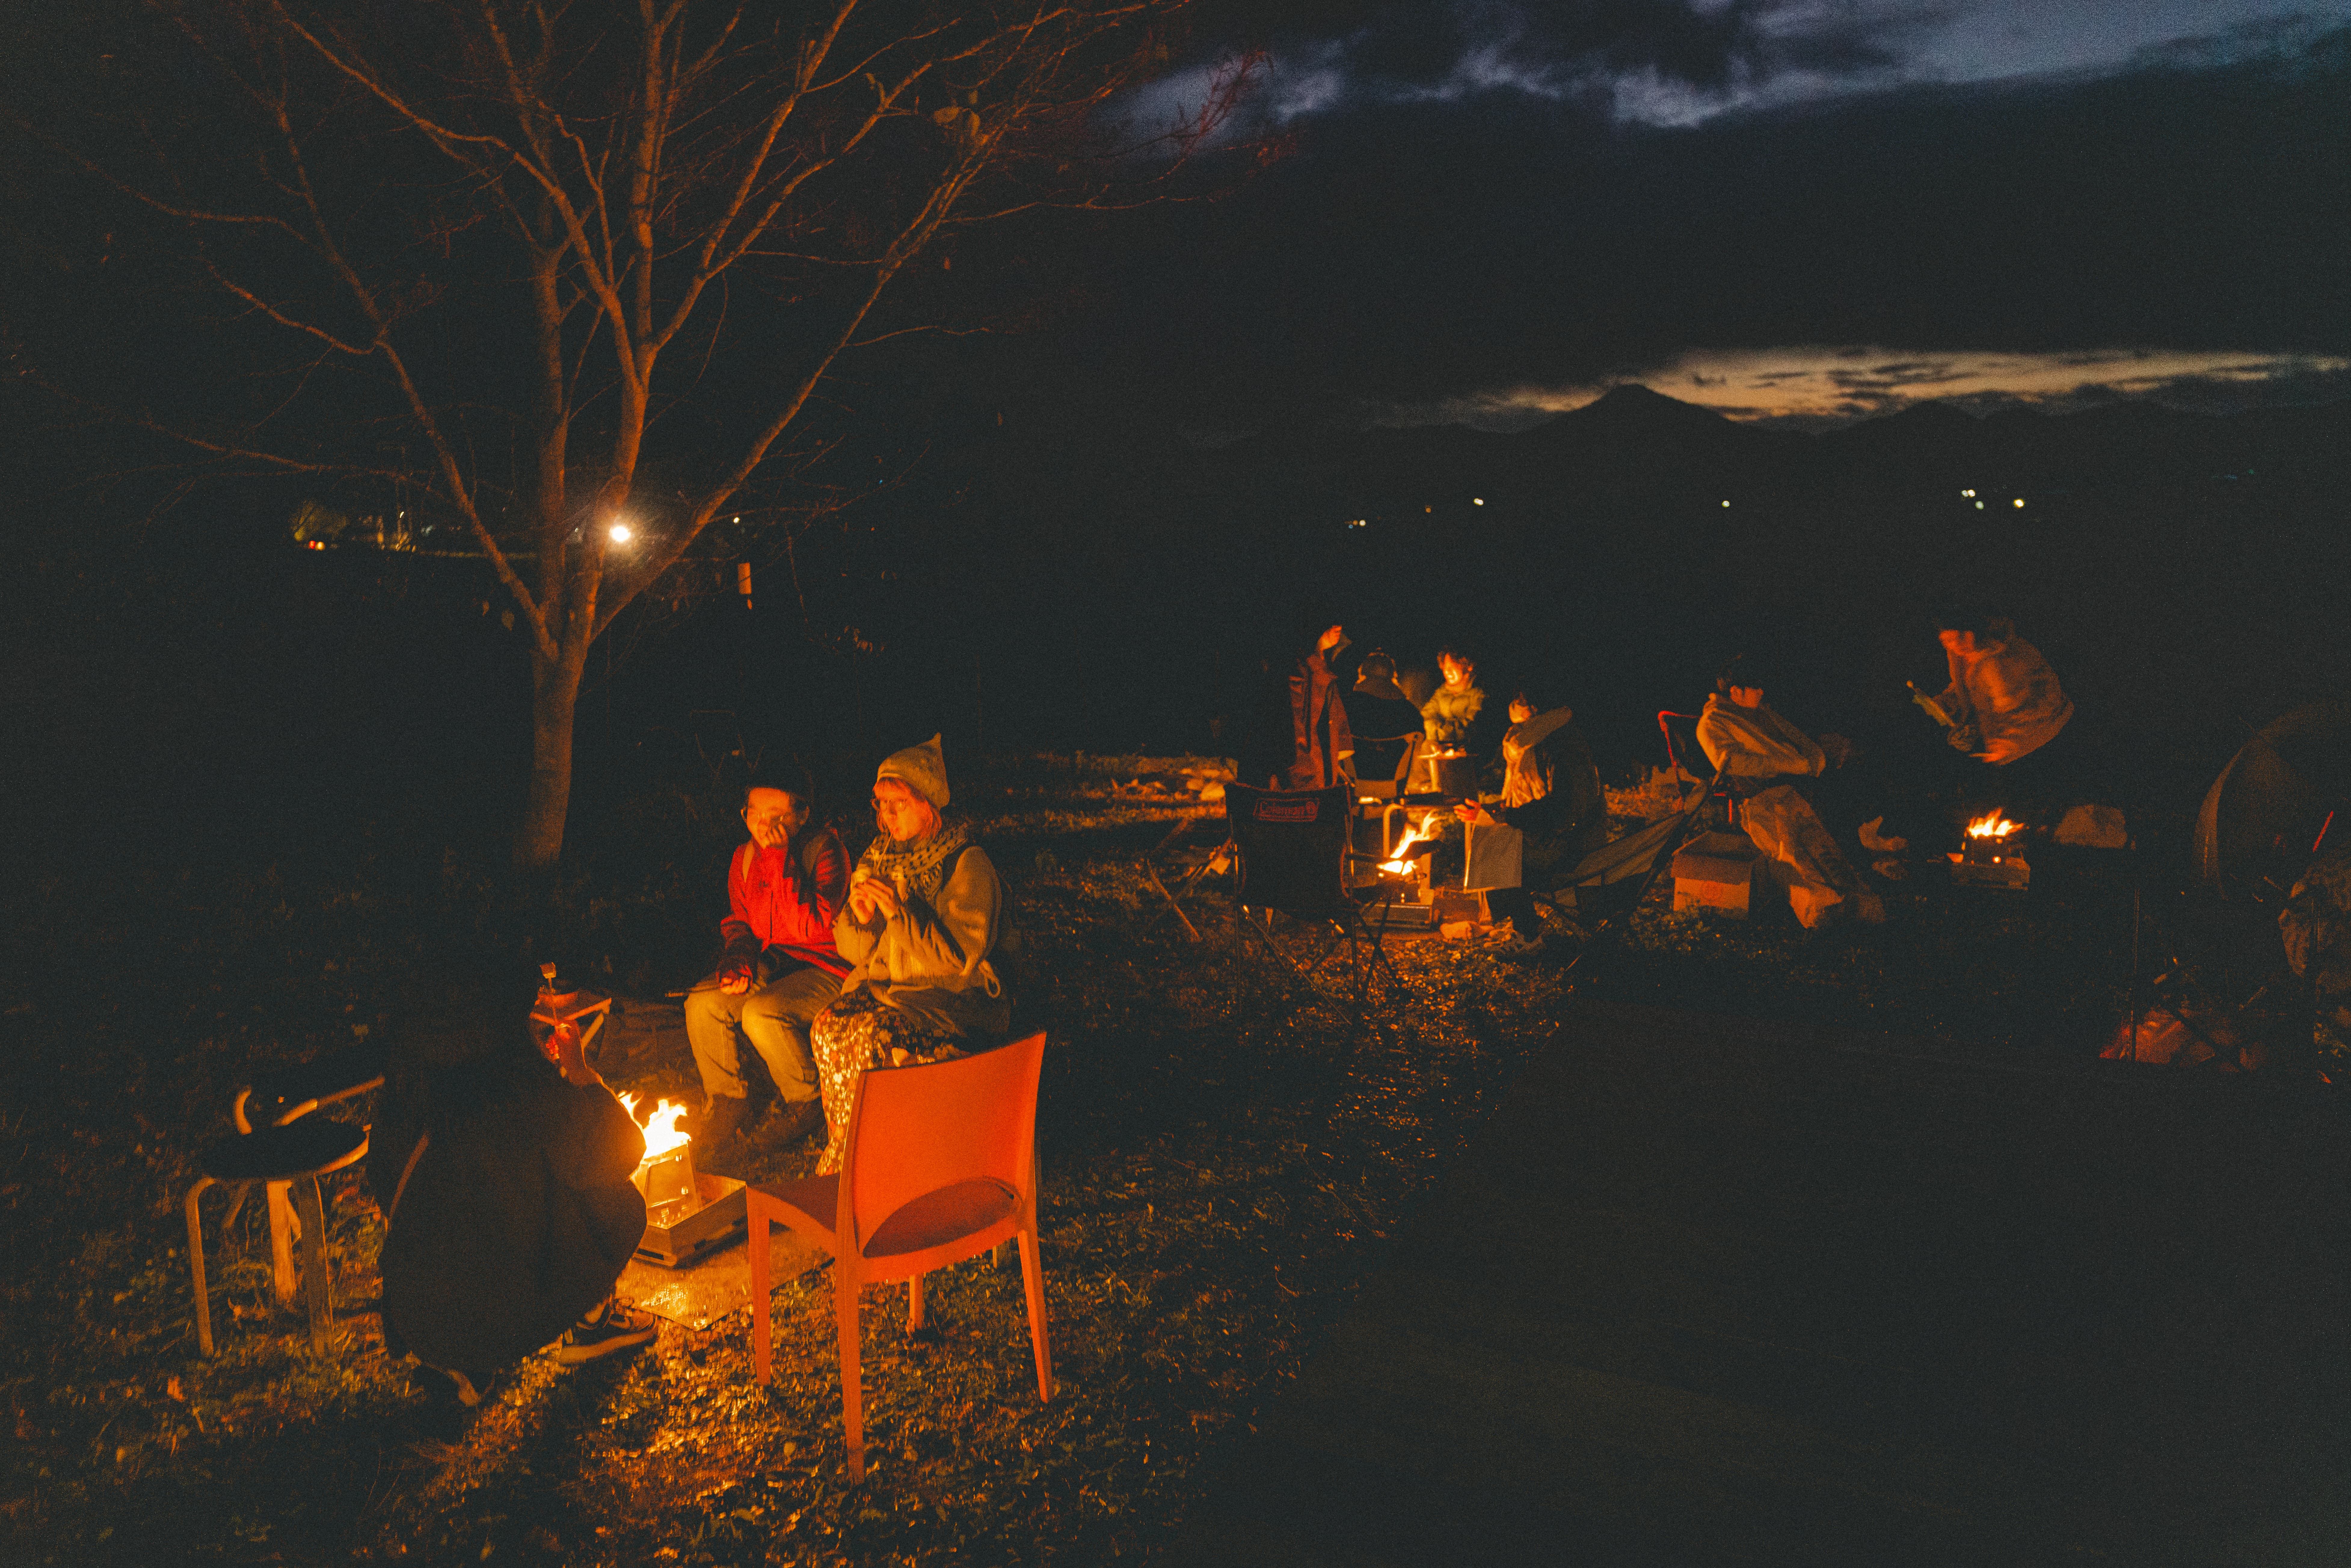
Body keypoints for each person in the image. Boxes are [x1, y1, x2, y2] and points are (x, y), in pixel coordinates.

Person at [371, 964, 655, 1408]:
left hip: (416, 1311)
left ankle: (463, 1367)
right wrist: (579, 1072)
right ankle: (592, 1320)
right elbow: (624, 1149)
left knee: (507, 1204)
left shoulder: (411, 1086)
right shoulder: (516, 1088)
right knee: (618, 1203)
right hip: (492, 1319)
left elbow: (387, 1181)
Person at [809, 735, 1011, 1174]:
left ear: (927, 803)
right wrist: (861, 918)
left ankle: (891, 1161)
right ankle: (851, 1155)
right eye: (880, 803)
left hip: (952, 998)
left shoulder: (965, 862)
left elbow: (957, 958)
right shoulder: (881, 855)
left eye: (897, 802)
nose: (886, 815)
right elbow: (856, 952)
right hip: (893, 989)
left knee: (874, 1036)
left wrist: (900, 912)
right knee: (828, 1025)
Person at [684, 779, 849, 1152]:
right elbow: (741, 923)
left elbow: (810, 927)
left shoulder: (825, 852)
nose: (763, 824)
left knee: (761, 1012)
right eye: (755, 813)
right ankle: (729, 1099)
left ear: (802, 815)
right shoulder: (744, 858)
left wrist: (778, 858)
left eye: (776, 815)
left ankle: (806, 1099)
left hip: (828, 966)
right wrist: (738, 961)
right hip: (775, 963)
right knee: (703, 1003)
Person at [1697, 656, 1885, 930]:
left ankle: (1859, 902)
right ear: (1735, 691)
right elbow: (1732, 761)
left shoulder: (1763, 712)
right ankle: (1826, 915)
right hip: (1764, 798)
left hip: (1800, 787)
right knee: (1801, 860)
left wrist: (1815, 757)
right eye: (1754, 688)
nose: (1761, 693)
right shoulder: (1714, 722)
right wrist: (1791, 766)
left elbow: (1794, 740)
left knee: (1830, 852)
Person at [1455, 685, 1607, 955]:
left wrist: (1508, 816)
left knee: (1496, 848)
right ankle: (1519, 924)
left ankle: (1527, 936)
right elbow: (1532, 801)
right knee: (1490, 835)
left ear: (1537, 712)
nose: (1515, 732)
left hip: (1575, 845)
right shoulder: (1546, 739)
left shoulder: (1563, 747)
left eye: (1522, 722)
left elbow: (1564, 808)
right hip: (1557, 834)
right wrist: (1494, 810)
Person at [1928, 600, 2076, 816]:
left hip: (2046, 733)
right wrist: (1946, 702)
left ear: (1970, 632)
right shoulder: (1966, 655)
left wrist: (2010, 741)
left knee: (2039, 810)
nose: (1952, 645)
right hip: (2012, 741)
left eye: (1957, 637)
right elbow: (1972, 685)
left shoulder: (2000, 659)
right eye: (1946, 640)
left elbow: (2032, 706)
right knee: (2005, 805)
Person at [1348, 650, 1425, 790]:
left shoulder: (1348, 707)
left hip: (1355, 783)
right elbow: (1418, 746)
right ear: (1393, 676)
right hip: (1396, 784)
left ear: (1362, 674)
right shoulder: (1410, 712)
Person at [1420, 646, 1492, 755]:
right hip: (1439, 746)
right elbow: (1427, 715)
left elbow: (1471, 726)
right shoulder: (1442, 693)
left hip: (1468, 751)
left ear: (1468, 666)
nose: (1447, 672)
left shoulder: (1478, 693)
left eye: (1452, 667)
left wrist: (1442, 731)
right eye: (1445, 668)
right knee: (1425, 748)